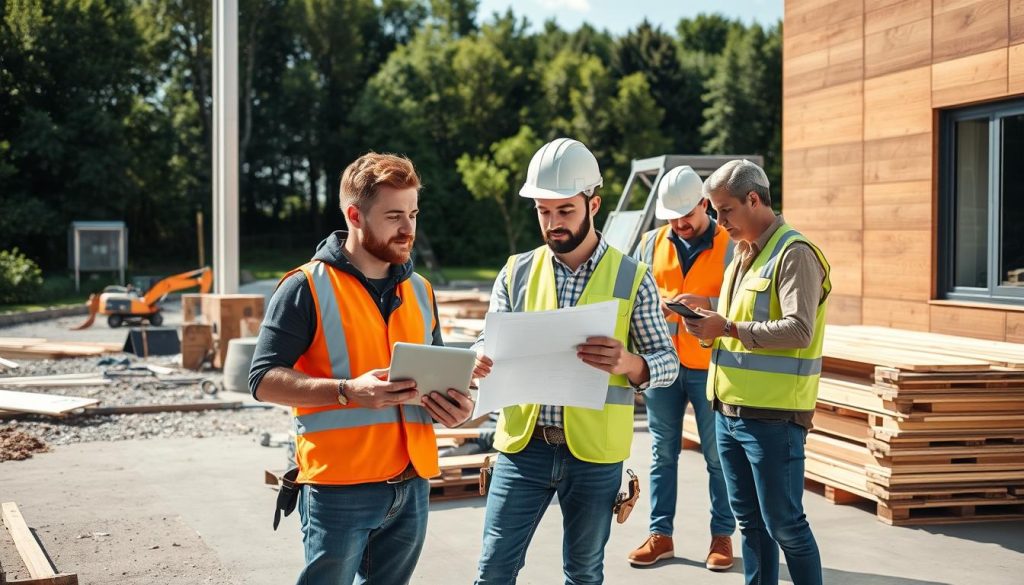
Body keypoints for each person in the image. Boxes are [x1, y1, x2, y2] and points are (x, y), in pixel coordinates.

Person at [248, 152, 474, 585]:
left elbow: (440, 377)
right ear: (354, 214)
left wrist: (456, 407)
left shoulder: (421, 289)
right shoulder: (305, 286)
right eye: (393, 216)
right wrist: (348, 390)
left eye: (412, 213)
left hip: (412, 484)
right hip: (339, 489)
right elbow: (262, 380)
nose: (408, 228)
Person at [471, 137, 678, 584]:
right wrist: (478, 356)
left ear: (594, 204)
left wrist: (630, 363)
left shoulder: (632, 277)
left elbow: (668, 362)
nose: (553, 223)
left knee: (584, 573)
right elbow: (487, 339)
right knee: (493, 569)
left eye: (564, 210)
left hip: (594, 456)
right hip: (522, 447)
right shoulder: (516, 272)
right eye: (543, 212)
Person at [681, 159, 830, 585]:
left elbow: (799, 329)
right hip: (729, 413)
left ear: (753, 199)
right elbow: (736, 325)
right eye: (714, 210)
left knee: (785, 525)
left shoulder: (794, 253)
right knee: (752, 526)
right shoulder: (742, 256)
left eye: (724, 209)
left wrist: (724, 325)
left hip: (774, 417)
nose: (717, 219)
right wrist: (708, 317)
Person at [627, 165, 736, 570]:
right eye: (672, 216)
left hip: (711, 367)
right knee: (662, 454)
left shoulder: (731, 244)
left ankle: (722, 537)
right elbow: (631, 295)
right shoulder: (650, 243)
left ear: (704, 204)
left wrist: (707, 303)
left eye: (686, 215)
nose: (679, 224)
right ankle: (661, 535)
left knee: (716, 456)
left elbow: (745, 306)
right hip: (662, 367)